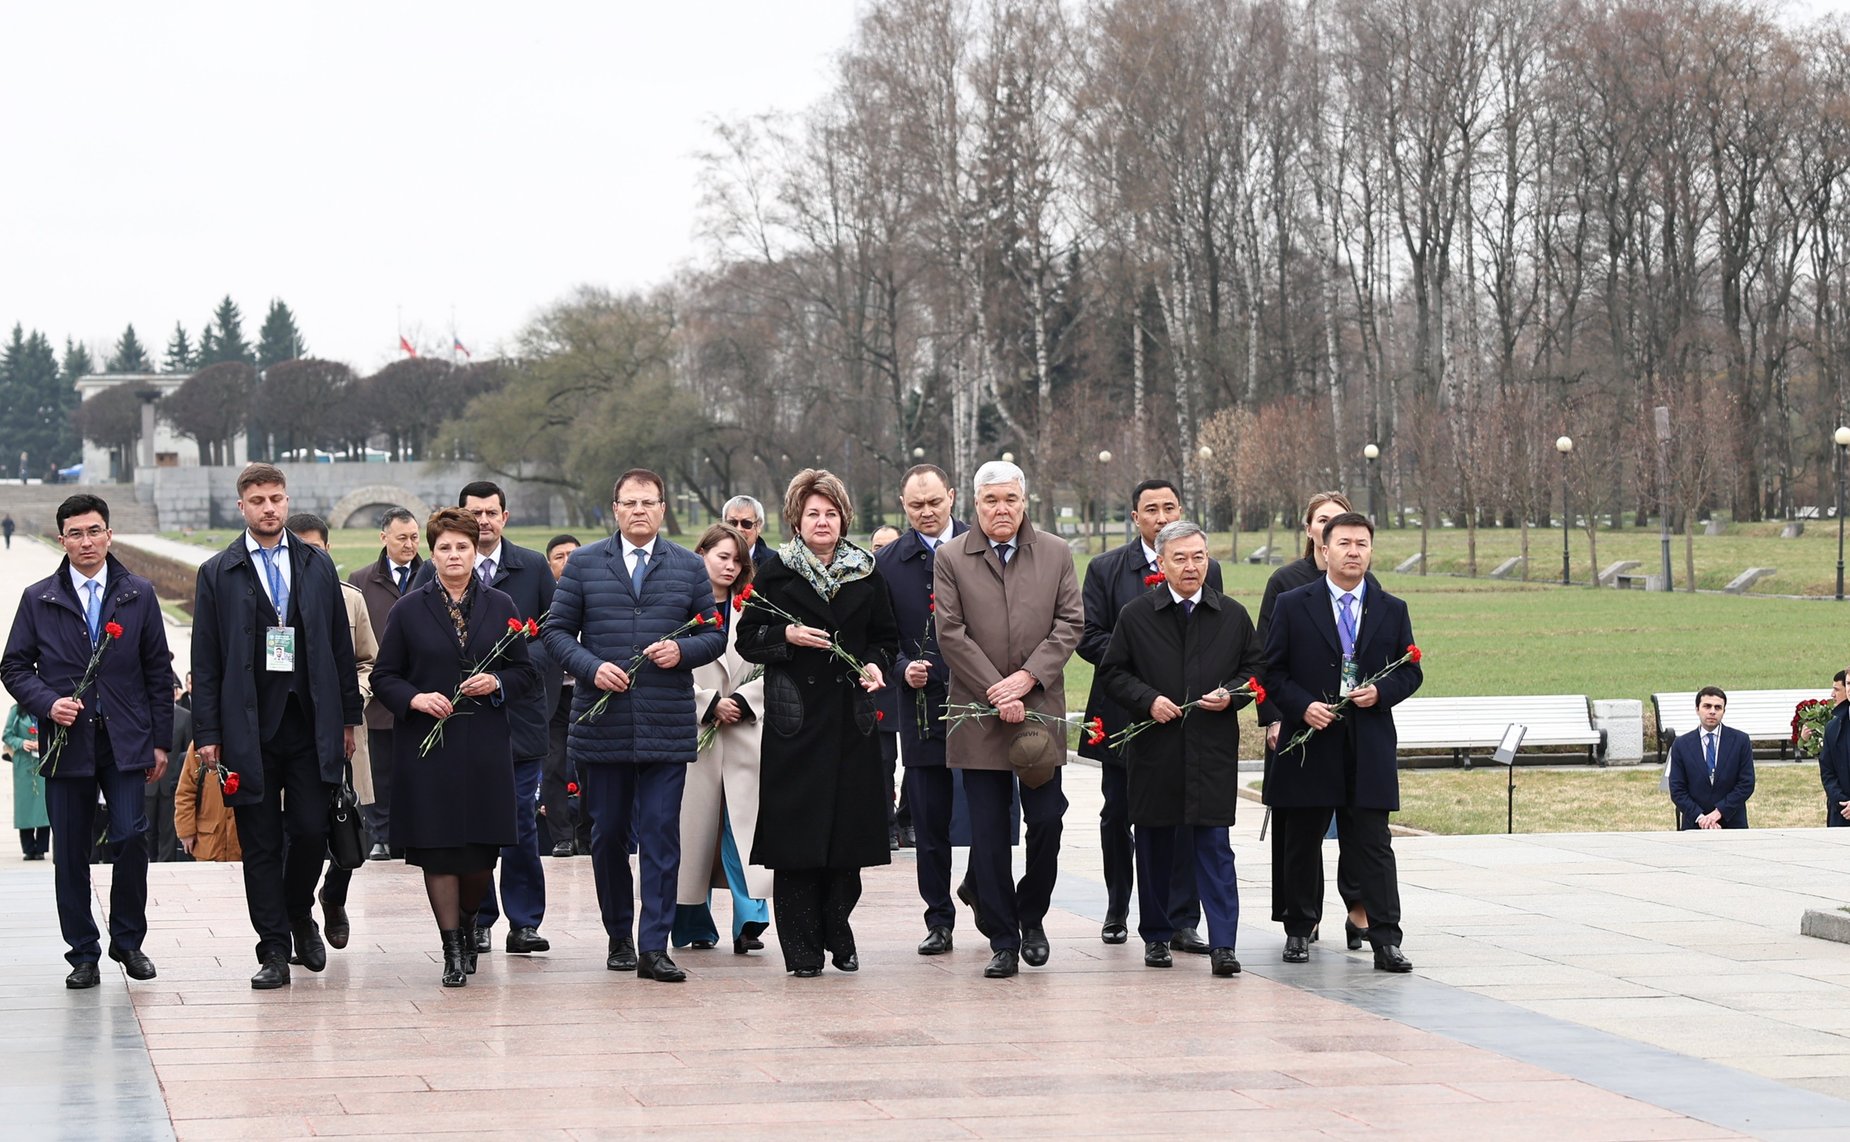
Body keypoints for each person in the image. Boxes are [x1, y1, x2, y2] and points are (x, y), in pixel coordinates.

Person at [542, 469, 726, 983]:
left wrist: (681, 650)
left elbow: (712, 635)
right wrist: (590, 667)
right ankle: (619, 935)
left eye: (649, 502)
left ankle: (654, 946)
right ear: (615, 509)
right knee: (608, 836)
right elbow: (555, 631)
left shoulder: (689, 567)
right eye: (630, 502)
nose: (640, 510)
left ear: (663, 508)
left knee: (663, 835)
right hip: (603, 724)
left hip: (666, 723)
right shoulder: (582, 564)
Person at [190, 463, 363, 990]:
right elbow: (208, 656)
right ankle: (272, 949)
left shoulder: (315, 563)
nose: (269, 508)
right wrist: (208, 733)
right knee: (260, 842)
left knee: (312, 830)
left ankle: (297, 912)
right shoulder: (218, 572)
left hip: (311, 723)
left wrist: (349, 717)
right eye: (259, 500)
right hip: (247, 728)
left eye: (277, 498)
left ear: (287, 502)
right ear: (241, 506)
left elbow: (339, 647)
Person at [2, 493, 172, 988]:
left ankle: (128, 941)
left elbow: (157, 671)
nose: (86, 541)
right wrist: (46, 701)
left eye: (94, 530)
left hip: (124, 741)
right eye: (75, 533)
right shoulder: (40, 597)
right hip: (67, 743)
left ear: (109, 534)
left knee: (130, 835)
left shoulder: (137, 592)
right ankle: (83, 952)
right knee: (71, 850)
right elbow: (13, 665)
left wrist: (160, 740)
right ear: (62, 540)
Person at [735, 469, 899, 976]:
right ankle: (802, 950)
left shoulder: (867, 573)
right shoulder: (777, 574)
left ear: (843, 519)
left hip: (851, 722)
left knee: (849, 840)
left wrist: (876, 663)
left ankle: (838, 928)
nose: (822, 521)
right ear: (796, 520)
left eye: (830, 513)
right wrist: (788, 635)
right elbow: (748, 639)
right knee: (798, 842)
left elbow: (885, 638)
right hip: (796, 723)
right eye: (813, 514)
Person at [373, 507, 538, 986]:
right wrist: (416, 698)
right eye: (443, 547)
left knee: (480, 854)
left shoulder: (502, 604)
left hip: (485, 746)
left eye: (461, 546)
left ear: (475, 550)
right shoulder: (409, 609)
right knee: (439, 850)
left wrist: (498, 681)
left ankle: (468, 926)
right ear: (433, 551)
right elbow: (384, 677)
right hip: (430, 749)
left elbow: (526, 671)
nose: (453, 555)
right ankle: (450, 947)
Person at [934, 460, 1083, 978]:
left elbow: (1070, 624)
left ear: (1025, 502)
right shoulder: (952, 557)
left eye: (1010, 500)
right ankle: (1003, 937)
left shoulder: (1057, 553)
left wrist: (1027, 680)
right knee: (990, 833)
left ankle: (1031, 914)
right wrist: (997, 690)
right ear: (975, 505)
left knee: (1046, 821)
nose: (1002, 509)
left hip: (1038, 713)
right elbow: (950, 633)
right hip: (978, 713)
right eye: (991, 501)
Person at [1099, 521, 1258, 977]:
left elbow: (1255, 670)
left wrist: (1232, 693)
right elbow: (1113, 673)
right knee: (1153, 845)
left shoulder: (1230, 614)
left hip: (1210, 752)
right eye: (1181, 558)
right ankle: (1156, 935)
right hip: (1156, 749)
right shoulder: (1136, 614)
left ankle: (1224, 943)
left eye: (1199, 557)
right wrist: (1148, 699)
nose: (1191, 567)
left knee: (1214, 846)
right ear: (1162, 563)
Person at [1265, 511, 1421, 973]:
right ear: (1325, 549)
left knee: (1372, 843)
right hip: (1312, 739)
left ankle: (1385, 938)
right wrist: (1301, 707)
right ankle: (1299, 929)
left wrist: (1381, 693)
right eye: (1345, 544)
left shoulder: (1391, 609)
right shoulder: (1294, 604)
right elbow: (1272, 671)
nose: (1354, 552)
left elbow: (1411, 669)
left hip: (1367, 742)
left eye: (1362, 544)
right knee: (1301, 840)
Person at [413, 481, 558, 957]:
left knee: (518, 819)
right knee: (475, 824)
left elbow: (548, 631)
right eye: (474, 513)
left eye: (492, 513)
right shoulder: (434, 570)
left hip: (518, 715)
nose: (484, 521)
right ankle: (480, 920)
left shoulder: (532, 566)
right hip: (460, 724)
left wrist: (498, 669)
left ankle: (524, 920)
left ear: (505, 516)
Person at [1077, 478, 1219, 950]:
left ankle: (1181, 919)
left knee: (1182, 816)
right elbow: (1089, 635)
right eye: (1151, 509)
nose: (1161, 517)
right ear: (1134, 518)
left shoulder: (1204, 566)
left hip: (1181, 716)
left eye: (1170, 507)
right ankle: (1119, 905)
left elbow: (1212, 630)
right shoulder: (1105, 569)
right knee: (1118, 812)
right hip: (1124, 713)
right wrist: (1144, 673)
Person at [1257, 490, 1371, 950]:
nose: (1333, 531)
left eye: (1341, 522)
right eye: (1323, 521)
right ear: (1310, 531)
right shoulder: (1287, 583)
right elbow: (1266, 659)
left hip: (1352, 726)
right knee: (1299, 828)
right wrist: (1273, 718)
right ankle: (1300, 919)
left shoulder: (1364, 582)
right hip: (1298, 722)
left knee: (1358, 824)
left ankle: (1359, 910)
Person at [874, 462, 978, 955]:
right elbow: (880, 636)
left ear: (953, 497)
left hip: (981, 699)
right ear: (903, 505)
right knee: (930, 819)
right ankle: (938, 917)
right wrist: (900, 667)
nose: (927, 512)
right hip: (921, 705)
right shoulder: (890, 562)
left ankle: (980, 886)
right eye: (916, 506)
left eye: (935, 502)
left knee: (988, 811)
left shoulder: (982, 549)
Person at [673, 524, 772, 955]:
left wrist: (745, 701)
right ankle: (693, 921)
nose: (730, 566)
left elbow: (774, 665)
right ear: (701, 556)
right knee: (694, 832)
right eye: (722, 557)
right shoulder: (677, 608)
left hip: (745, 732)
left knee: (743, 827)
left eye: (738, 560)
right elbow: (664, 666)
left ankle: (750, 918)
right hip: (694, 733)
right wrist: (708, 703)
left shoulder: (755, 609)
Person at [288, 513, 378, 954]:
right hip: (294, 737)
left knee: (350, 825)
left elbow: (368, 661)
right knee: (300, 834)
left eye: (316, 549)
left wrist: (352, 701)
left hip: (343, 730)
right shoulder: (275, 602)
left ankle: (334, 897)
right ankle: (296, 915)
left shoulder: (349, 600)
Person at [348, 506, 423, 859]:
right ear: (384, 538)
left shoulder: (430, 574)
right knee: (379, 770)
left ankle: (411, 834)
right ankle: (380, 834)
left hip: (420, 691)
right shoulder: (361, 580)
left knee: (416, 768)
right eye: (401, 538)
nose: (409, 545)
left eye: (414, 537)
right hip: (378, 692)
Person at [540, 533, 585, 856]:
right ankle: (561, 835)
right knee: (554, 763)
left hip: (589, 690)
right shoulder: (546, 598)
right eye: (559, 556)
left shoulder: (597, 592)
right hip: (554, 692)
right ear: (549, 564)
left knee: (591, 763)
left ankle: (590, 833)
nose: (567, 561)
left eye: (573, 554)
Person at [1668, 687, 1754, 831]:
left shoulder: (1740, 741)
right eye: (1707, 706)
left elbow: (1746, 784)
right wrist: (1701, 818)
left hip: (1732, 824)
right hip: (1694, 825)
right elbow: (1677, 789)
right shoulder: (1681, 744)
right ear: (1697, 709)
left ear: (1724, 711)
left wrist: (1718, 813)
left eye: (1718, 707)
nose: (1712, 711)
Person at [868, 524, 905, 848]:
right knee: (883, 759)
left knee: (920, 758)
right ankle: (887, 822)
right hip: (880, 677)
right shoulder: (868, 580)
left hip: (908, 673)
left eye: (888, 547)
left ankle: (908, 819)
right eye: (876, 547)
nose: (881, 554)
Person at [143, 673, 191, 862]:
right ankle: (146, 863)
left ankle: (166, 864)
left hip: (171, 786)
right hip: (148, 783)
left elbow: (187, 754)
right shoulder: (145, 714)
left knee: (168, 832)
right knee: (147, 830)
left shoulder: (185, 717)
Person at [175, 736, 242, 862]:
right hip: (207, 845)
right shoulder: (200, 746)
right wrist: (186, 832)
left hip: (241, 847)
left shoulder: (249, 740)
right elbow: (185, 792)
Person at [5, 703, 50, 859]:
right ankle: (28, 848)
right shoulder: (16, 711)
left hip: (43, 761)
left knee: (43, 806)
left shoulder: (46, 706)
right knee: (24, 806)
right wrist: (22, 743)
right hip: (23, 764)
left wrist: (43, 742)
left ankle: (42, 848)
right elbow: (7, 735)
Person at [1820, 670, 1850, 827]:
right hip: (1841, 814)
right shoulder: (1832, 728)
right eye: (1849, 684)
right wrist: (1842, 801)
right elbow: (1827, 772)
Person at [724, 494, 776, 565]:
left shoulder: (774, 563)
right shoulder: (710, 560)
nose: (739, 529)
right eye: (732, 523)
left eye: (746, 524)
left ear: (758, 526)